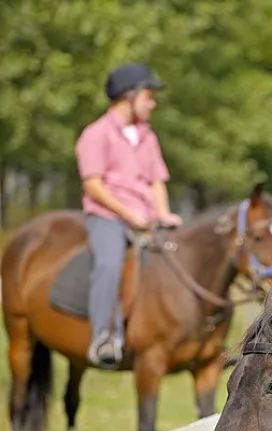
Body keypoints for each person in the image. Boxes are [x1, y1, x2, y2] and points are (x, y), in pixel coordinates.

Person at [74, 62, 183, 369]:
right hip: (108, 216)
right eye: (148, 96)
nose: (153, 103)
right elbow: (93, 186)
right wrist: (129, 214)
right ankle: (104, 337)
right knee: (109, 264)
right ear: (128, 96)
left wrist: (162, 213)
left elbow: (157, 180)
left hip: (146, 218)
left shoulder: (147, 136)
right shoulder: (95, 134)